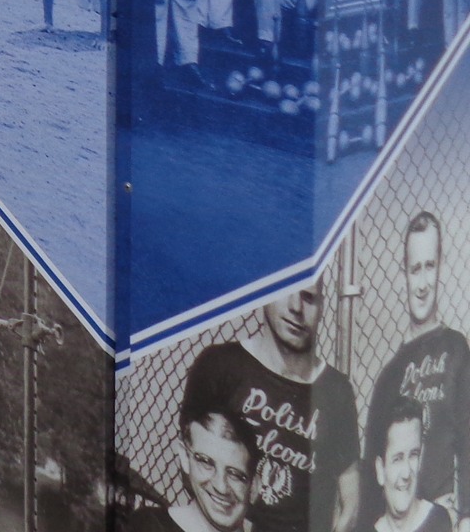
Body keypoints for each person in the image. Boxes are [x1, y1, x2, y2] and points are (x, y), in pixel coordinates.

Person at [181, 280, 361, 532]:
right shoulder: (219, 367)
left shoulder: (336, 390)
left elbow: (350, 494)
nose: (296, 307)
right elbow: (191, 464)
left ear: (322, 307)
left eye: (308, 297)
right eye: (286, 291)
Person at [364, 213, 470, 526]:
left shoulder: (456, 349)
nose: (422, 284)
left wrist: (465, 516)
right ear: (404, 276)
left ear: (440, 269)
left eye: (429, 267)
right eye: (415, 269)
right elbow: (372, 475)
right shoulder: (389, 376)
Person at [120, 403, 258, 532]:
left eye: (235, 474)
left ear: (254, 486)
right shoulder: (147, 526)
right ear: (185, 457)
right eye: (206, 463)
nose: (221, 487)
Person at [370, 396, 454, 532]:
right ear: (380, 469)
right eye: (397, 459)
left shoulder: (438, 522)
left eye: (413, 455)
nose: (406, 473)